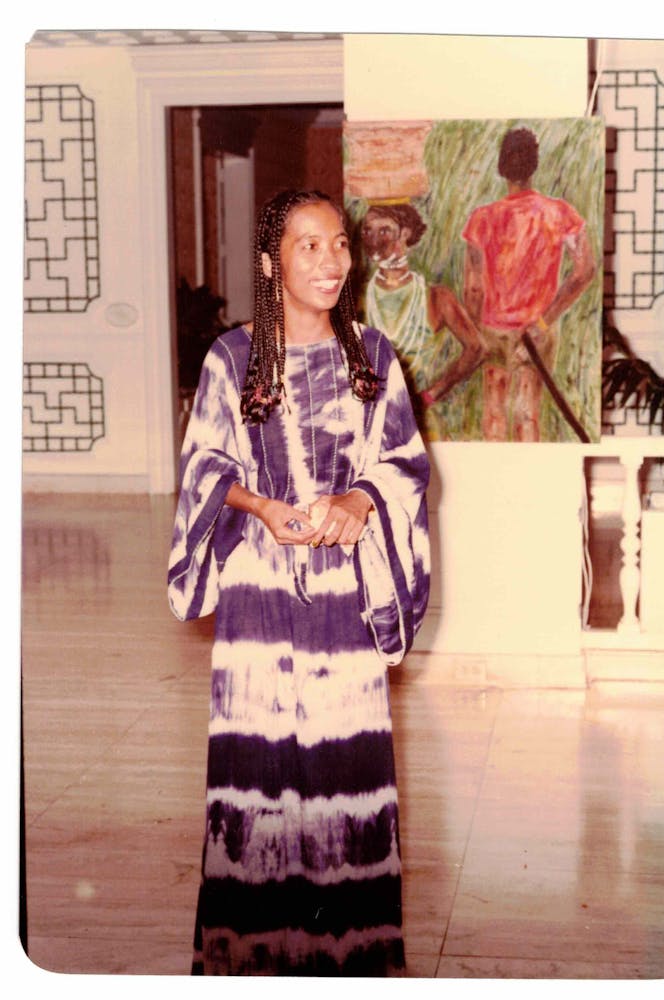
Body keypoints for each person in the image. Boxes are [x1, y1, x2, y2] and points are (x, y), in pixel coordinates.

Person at [167, 189, 430, 976]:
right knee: (260, 768)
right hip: (256, 592)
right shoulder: (231, 357)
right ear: (270, 261)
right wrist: (260, 506)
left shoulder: (374, 357)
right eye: (309, 246)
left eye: (340, 244)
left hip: (345, 600)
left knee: (345, 770)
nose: (331, 261)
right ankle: (250, 961)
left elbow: (406, 465)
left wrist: (359, 499)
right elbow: (204, 467)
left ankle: (349, 958)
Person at [462, 127, 596, 441]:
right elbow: (584, 271)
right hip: (537, 331)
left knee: (494, 415)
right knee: (528, 416)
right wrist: (543, 322)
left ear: (501, 166)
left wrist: (475, 330)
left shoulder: (482, 218)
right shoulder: (561, 213)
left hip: (492, 330)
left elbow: (473, 289)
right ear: (534, 164)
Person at [361, 203, 487, 412]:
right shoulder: (360, 297)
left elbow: (477, 348)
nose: (373, 239)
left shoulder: (437, 298)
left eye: (384, 230)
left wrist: (430, 395)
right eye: (367, 230)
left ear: (405, 234)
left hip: (420, 419)